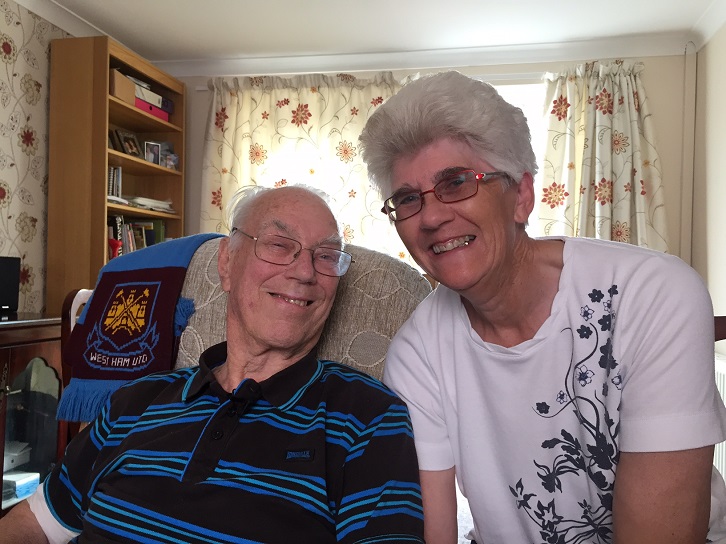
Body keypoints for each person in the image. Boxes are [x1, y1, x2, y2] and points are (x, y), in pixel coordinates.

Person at [358, 70, 726, 543]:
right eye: (408, 199)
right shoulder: (417, 352)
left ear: (522, 196)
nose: (430, 216)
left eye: (456, 183)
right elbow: (434, 532)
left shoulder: (653, 294)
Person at [0, 185, 425, 543]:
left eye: (327, 256)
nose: (305, 273)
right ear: (226, 264)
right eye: (279, 246)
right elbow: (34, 525)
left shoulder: (368, 418)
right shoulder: (135, 401)